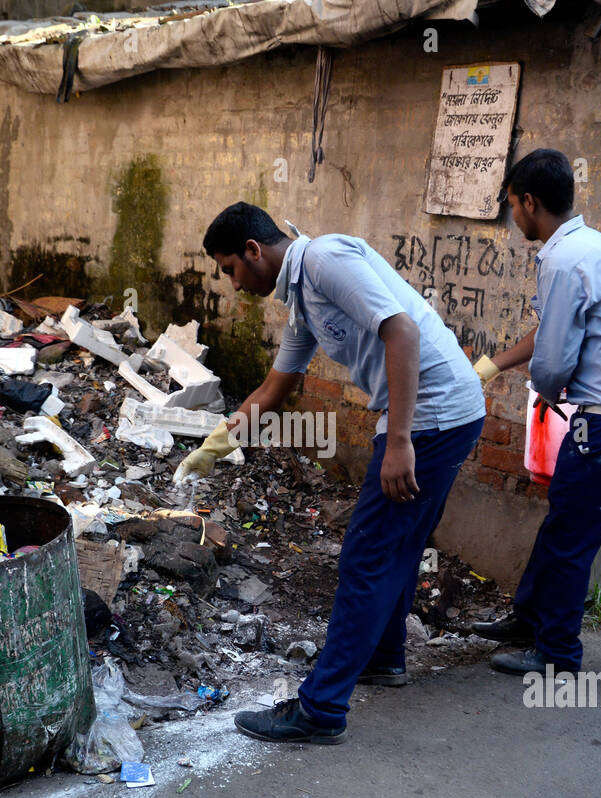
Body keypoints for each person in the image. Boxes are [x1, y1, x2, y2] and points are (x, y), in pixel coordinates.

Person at [178, 202, 485, 743]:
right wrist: (216, 445)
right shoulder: (301, 299)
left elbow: (403, 333)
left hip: (434, 417)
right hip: (439, 414)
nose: (233, 283)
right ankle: (385, 658)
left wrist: (398, 440)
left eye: (230, 269)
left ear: (254, 251)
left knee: (366, 556)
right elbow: (277, 388)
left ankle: (321, 708)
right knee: (399, 545)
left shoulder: (323, 260)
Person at [468, 149, 601, 676]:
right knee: (563, 521)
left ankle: (557, 652)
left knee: (571, 533)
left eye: (513, 205)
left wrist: (545, 392)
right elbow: (549, 333)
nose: (513, 217)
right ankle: (529, 619)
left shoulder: (562, 258)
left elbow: (554, 359)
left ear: (530, 202)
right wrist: (491, 366)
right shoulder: (585, 244)